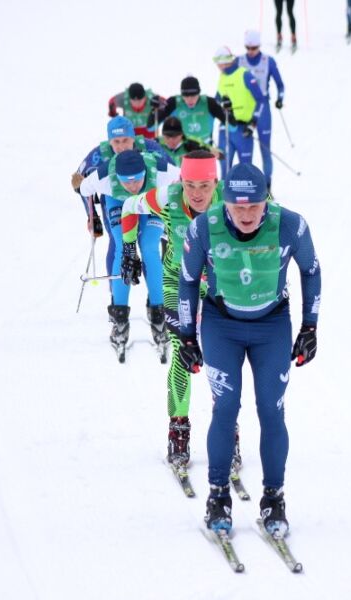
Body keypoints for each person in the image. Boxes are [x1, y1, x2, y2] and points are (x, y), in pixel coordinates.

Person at [177, 163, 321, 537]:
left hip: (271, 325)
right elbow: (189, 280)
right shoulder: (204, 228)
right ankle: (218, 496)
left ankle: (274, 497)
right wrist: (186, 337)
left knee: (271, 410)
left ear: (265, 201)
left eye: (253, 207)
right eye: (237, 208)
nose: (245, 215)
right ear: (225, 203)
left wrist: (310, 326)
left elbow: (311, 269)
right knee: (225, 408)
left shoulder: (291, 225)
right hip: (221, 324)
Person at [119, 150, 233, 474]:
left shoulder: (231, 197)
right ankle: (178, 431)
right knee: (185, 355)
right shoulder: (167, 197)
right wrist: (129, 247)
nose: (197, 193)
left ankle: (228, 432)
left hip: (219, 287)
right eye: (190, 185)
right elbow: (129, 206)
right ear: (180, 181)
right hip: (176, 282)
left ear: (216, 182)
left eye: (205, 185)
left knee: (220, 358)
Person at [79, 146, 179, 361]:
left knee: (150, 247)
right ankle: (120, 319)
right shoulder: (104, 176)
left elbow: (184, 181)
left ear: (145, 173)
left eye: (137, 180)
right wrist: (92, 216)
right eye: (127, 181)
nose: (132, 186)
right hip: (119, 202)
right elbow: (84, 189)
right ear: (117, 177)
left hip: (152, 199)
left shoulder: (162, 171)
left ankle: (159, 315)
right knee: (123, 249)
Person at [238, 30, 285, 195]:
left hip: (263, 107)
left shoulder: (268, 61)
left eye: (254, 48)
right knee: (246, 151)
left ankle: (267, 186)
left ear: (259, 46)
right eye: (248, 48)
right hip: (246, 110)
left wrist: (280, 99)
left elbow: (280, 85)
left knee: (265, 148)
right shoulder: (239, 61)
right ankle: (249, 186)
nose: (251, 51)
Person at [212, 46, 266, 176]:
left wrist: (253, 123)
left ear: (227, 61)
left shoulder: (244, 74)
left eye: (219, 63)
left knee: (245, 168)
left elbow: (260, 100)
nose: (218, 66)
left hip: (243, 129)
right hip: (225, 128)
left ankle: (249, 195)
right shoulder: (222, 77)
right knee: (224, 167)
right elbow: (216, 100)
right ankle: (224, 195)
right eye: (217, 63)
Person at [148, 76, 226, 146]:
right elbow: (151, 127)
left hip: (205, 149)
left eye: (193, 95)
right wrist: (154, 110)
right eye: (186, 96)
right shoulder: (173, 102)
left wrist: (228, 111)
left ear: (199, 93)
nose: (189, 99)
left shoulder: (209, 103)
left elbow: (232, 127)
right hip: (182, 150)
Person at [157, 117, 223, 165]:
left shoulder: (192, 142)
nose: (171, 141)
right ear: (162, 135)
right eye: (167, 137)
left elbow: (221, 155)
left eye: (175, 137)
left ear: (181, 134)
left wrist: (200, 153)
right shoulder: (155, 144)